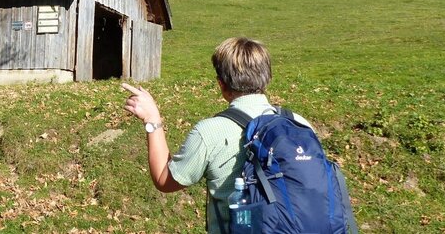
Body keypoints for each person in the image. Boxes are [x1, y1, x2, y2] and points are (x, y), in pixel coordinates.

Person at [122, 37, 311, 234]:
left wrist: (152, 120)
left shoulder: (210, 132)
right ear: (268, 78)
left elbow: (164, 180)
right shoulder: (299, 123)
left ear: (221, 84)